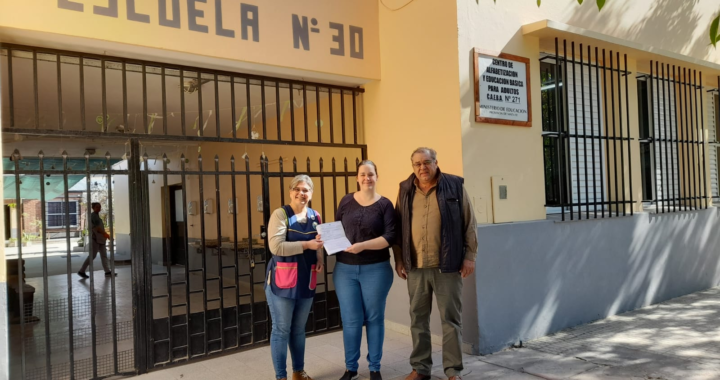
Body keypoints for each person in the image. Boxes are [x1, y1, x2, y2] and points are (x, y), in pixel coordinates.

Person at [394, 148, 478, 380]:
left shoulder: (454, 186)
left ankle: (453, 372)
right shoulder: (404, 189)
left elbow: (469, 222)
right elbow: (399, 228)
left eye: (427, 162)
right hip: (416, 268)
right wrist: (399, 258)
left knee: (451, 320)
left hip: (448, 267)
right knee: (418, 319)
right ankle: (420, 368)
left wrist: (470, 256)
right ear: (413, 166)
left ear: (435, 163)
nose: (422, 168)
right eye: (417, 164)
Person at [334, 160, 395, 380]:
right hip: (345, 271)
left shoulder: (385, 205)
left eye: (370, 174)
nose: (366, 178)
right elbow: (336, 228)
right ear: (357, 178)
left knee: (374, 319)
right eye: (362, 174)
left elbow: (390, 237)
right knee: (350, 320)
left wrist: (362, 246)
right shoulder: (346, 200)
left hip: (376, 270)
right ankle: (351, 368)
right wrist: (327, 237)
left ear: (377, 177)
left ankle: (375, 368)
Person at [266, 175, 324, 380]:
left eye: (306, 190)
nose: (301, 193)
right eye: (297, 189)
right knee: (282, 329)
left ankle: (298, 372)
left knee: (298, 329)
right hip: (282, 281)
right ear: (290, 192)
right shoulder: (280, 215)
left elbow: (319, 241)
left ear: (311, 193)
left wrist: (318, 256)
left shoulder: (315, 216)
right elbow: (276, 246)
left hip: (306, 278)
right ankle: (280, 376)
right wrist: (307, 246)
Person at [78, 202, 115, 278]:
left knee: (104, 255)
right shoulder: (93, 216)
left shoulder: (97, 216)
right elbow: (97, 228)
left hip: (101, 239)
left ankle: (107, 271)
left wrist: (105, 235)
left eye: (100, 207)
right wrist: (106, 235)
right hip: (95, 239)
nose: (99, 208)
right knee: (92, 256)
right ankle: (81, 271)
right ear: (93, 208)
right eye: (97, 207)